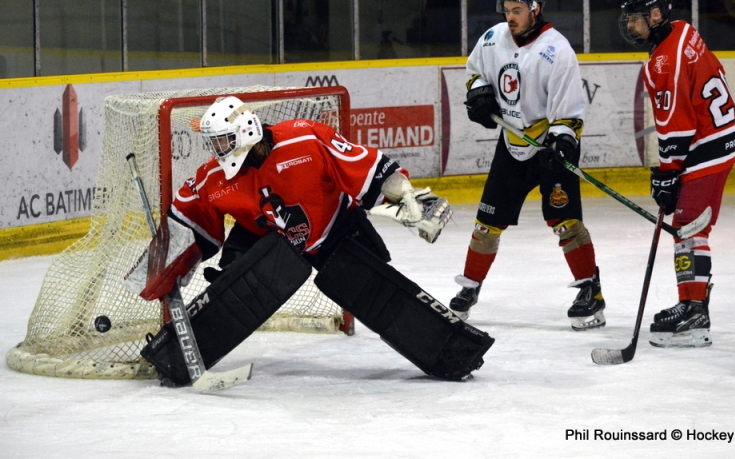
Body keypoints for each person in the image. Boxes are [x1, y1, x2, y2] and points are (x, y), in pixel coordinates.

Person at [125, 96, 494, 385]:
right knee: (232, 290)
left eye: (223, 141)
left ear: (247, 133)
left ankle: (454, 353)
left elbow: (368, 169)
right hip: (265, 241)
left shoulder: (305, 138)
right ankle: (172, 360)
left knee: (379, 291)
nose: (217, 150)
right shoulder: (214, 177)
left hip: (336, 228)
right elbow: (188, 220)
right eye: (214, 142)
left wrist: (410, 199)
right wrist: (163, 265)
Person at [448, 0, 606, 332]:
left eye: (517, 10)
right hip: (511, 144)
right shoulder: (492, 39)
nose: (510, 17)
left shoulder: (557, 50)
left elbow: (569, 110)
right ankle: (470, 287)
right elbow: (474, 72)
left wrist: (561, 142)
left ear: (536, 9)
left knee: (567, 223)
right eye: (506, 10)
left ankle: (590, 292)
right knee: (486, 225)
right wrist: (479, 93)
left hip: (550, 147)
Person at [619, 0, 735, 348]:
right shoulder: (683, 29)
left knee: (688, 226)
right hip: (717, 134)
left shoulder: (663, 61)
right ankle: (695, 301)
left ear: (655, 16)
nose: (630, 26)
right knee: (689, 224)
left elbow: (678, 123)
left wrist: (668, 173)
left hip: (708, 143)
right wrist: (669, 171)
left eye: (636, 19)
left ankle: (693, 313)